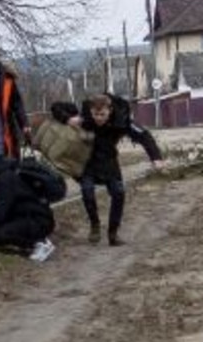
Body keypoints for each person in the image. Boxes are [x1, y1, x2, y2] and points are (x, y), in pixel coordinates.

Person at [59, 93, 164, 245]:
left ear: (110, 110)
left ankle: (113, 234)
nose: (99, 118)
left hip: (109, 162)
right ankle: (94, 225)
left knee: (119, 193)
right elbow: (56, 108)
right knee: (87, 191)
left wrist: (156, 158)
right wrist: (68, 119)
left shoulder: (122, 120)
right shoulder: (85, 116)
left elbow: (144, 135)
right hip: (88, 162)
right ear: (91, 110)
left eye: (102, 114)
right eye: (96, 114)